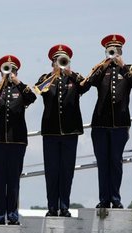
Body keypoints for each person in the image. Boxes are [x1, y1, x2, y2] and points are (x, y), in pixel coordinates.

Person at [85, 34, 132, 208]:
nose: (113, 52)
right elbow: (88, 83)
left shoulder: (129, 68)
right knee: (103, 163)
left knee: (115, 162)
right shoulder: (100, 69)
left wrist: (122, 65)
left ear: (121, 50)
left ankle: (115, 199)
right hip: (101, 124)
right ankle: (104, 199)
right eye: (111, 50)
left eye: (116, 50)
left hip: (120, 124)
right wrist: (104, 65)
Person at [35, 44, 90, 217]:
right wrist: (53, 75)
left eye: (64, 60)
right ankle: (52, 207)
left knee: (67, 171)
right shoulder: (46, 78)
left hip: (70, 132)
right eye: (57, 61)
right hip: (50, 133)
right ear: (52, 62)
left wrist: (69, 73)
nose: (61, 63)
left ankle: (64, 206)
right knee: (51, 172)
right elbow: (38, 89)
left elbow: (86, 85)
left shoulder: (74, 79)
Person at [0, 55, 36, 225]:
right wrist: (0, 84)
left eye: (12, 69)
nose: (9, 72)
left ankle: (12, 214)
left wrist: (17, 81)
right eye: (6, 69)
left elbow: (32, 98)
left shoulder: (21, 89)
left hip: (16, 141)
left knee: (13, 180)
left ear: (17, 71)